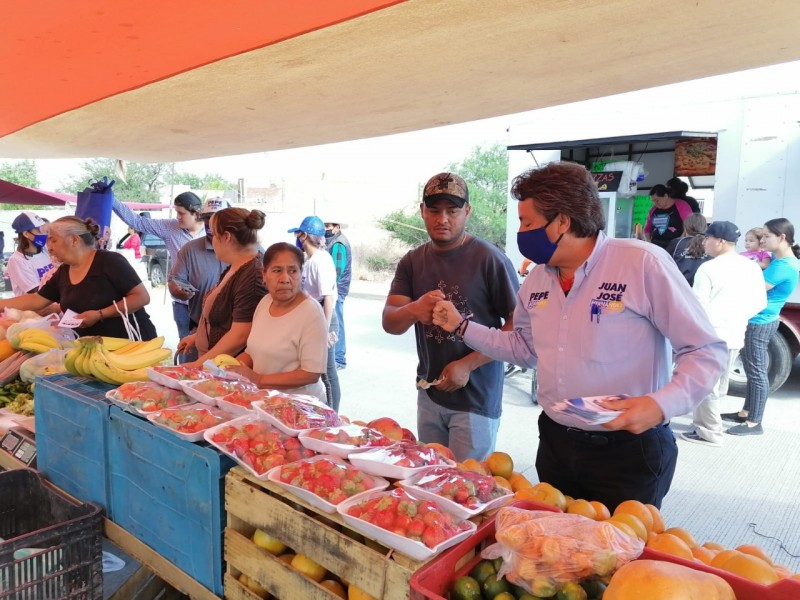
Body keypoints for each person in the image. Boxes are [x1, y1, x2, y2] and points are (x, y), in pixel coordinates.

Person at [432, 162, 725, 510]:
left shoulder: (641, 263)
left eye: (527, 222)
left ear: (562, 221)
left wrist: (661, 404)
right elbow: (524, 349)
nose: (521, 232)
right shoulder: (538, 279)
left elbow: (705, 350)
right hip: (556, 444)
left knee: (619, 544)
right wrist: (463, 326)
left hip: (626, 451)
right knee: (556, 540)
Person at [382, 172, 518, 462]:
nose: (442, 219)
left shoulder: (489, 259)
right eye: (434, 210)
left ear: (467, 211)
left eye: (452, 211)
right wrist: (414, 309)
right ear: (422, 211)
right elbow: (390, 322)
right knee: (429, 477)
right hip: (429, 393)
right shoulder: (412, 261)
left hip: (476, 400)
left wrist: (468, 364)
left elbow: (517, 329)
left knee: (467, 483)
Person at [0, 216, 157, 340]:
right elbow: (36, 300)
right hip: (94, 349)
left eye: (53, 240)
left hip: (131, 343)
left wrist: (100, 314)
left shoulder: (110, 261)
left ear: (74, 240)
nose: (49, 247)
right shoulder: (64, 271)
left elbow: (141, 297)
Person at [681, 221, 767, 447]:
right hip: (735, 333)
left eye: (707, 238)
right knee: (719, 385)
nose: (704, 242)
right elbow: (760, 302)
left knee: (705, 384)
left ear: (720, 241)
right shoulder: (751, 267)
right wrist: (737, 316)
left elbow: (697, 306)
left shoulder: (709, 268)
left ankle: (710, 432)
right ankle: (705, 425)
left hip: (710, 335)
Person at [723, 218, 800, 436]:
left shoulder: (784, 266)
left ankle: (754, 422)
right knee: (751, 369)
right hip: (759, 319)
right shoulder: (778, 260)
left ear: (782, 237)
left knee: (756, 372)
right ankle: (746, 412)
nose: (762, 240)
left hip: (760, 321)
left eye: (767, 236)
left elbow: (753, 288)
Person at [227, 243, 328, 403]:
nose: (285, 279)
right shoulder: (265, 302)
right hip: (265, 401)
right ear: (264, 274)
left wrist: (258, 379)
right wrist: (227, 369)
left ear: (301, 273)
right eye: (277, 271)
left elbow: (311, 374)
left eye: (293, 271)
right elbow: (252, 352)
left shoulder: (311, 313)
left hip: (299, 407)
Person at [111, 191, 206, 342]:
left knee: (210, 342)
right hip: (182, 303)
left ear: (196, 213)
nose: (178, 217)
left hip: (208, 299)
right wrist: (111, 199)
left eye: (182, 213)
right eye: (176, 212)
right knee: (186, 343)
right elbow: (138, 222)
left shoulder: (212, 230)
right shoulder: (170, 227)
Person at [178, 208, 267, 365]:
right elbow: (224, 320)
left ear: (226, 237)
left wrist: (198, 365)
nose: (212, 241)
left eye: (213, 235)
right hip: (215, 364)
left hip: (230, 370)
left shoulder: (252, 276)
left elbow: (240, 335)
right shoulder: (236, 266)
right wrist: (197, 337)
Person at [289, 216, 341, 412]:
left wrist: (324, 331)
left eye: (297, 234)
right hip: (313, 316)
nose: (296, 238)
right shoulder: (308, 259)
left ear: (303, 235)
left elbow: (328, 298)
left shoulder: (321, 260)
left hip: (324, 317)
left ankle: (333, 417)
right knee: (314, 370)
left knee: (327, 374)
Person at [168, 198, 229, 363]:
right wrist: (179, 290)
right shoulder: (190, 249)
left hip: (235, 331)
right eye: (207, 218)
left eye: (217, 218)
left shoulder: (249, 250)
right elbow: (175, 280)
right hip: (199, 327)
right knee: (193, 372)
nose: (211, 223)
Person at [5, 212, 56, 296]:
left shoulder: (44, 249)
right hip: (37, 303)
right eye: (40, 231)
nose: (45, 235)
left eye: (45, 231)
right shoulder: (17, 260)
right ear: (26, 234)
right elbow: (36, 292)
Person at [324, 219, 352, 370]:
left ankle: (339, 359)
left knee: (336, 323)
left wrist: (328, 289)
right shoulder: (333, 242)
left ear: (337, 228)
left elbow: (336, 272)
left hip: (337, 289)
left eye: (328, 226)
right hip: (336, 289)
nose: (325, 229)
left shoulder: (338, 244)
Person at [666, 213, 712, 286]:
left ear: (685, 227)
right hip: (704, 286)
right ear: (705, 227)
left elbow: (665, 264)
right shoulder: (711, 244)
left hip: (680, 286)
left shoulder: (677, 243)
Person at [643, 184, 693, 250]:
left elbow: (689, 226)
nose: (655, 203)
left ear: (666, 196)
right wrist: (648, 242)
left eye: (657, 200)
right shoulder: (653, 210)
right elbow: (646, 230)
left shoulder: (681, 205)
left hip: (675, 246)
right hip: (656, 246)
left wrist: (679, 244)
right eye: (653, 201)